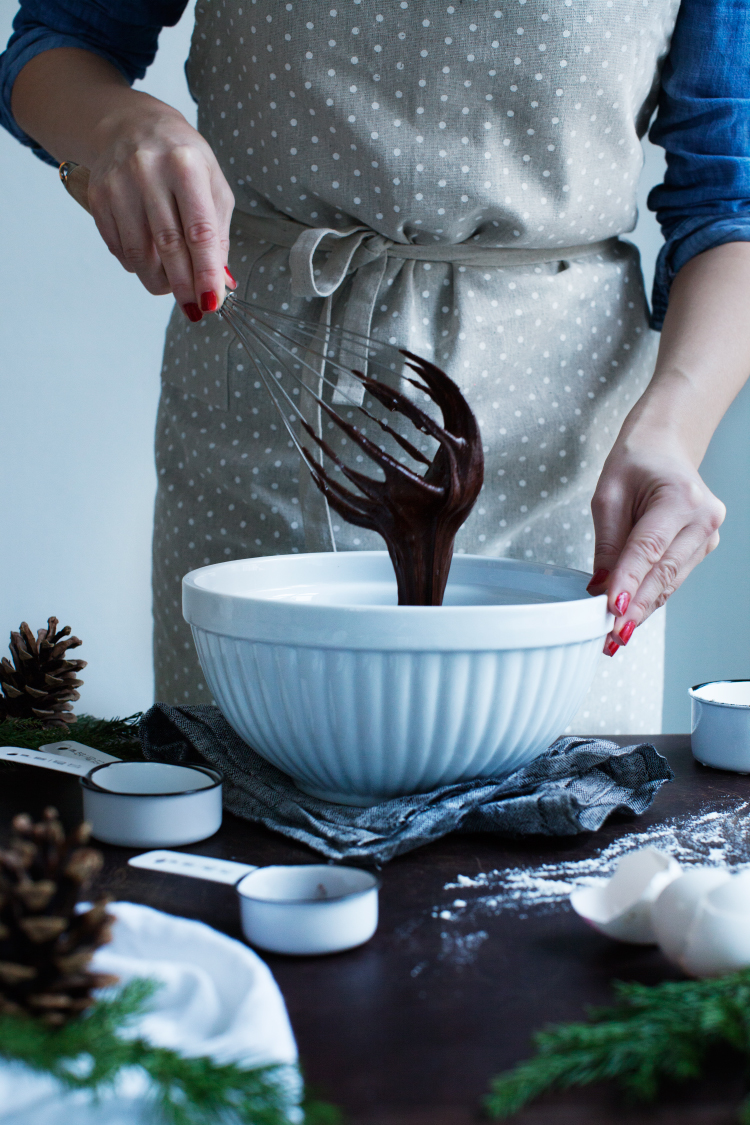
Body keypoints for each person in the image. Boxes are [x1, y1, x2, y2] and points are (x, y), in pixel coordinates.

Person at [1, 0, 746, 733]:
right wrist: (117, 125)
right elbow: (57, 44)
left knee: (561, 830)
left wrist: (673, 428)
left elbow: (732, 203)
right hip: (267, 423)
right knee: (251, 821)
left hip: (568, 463)